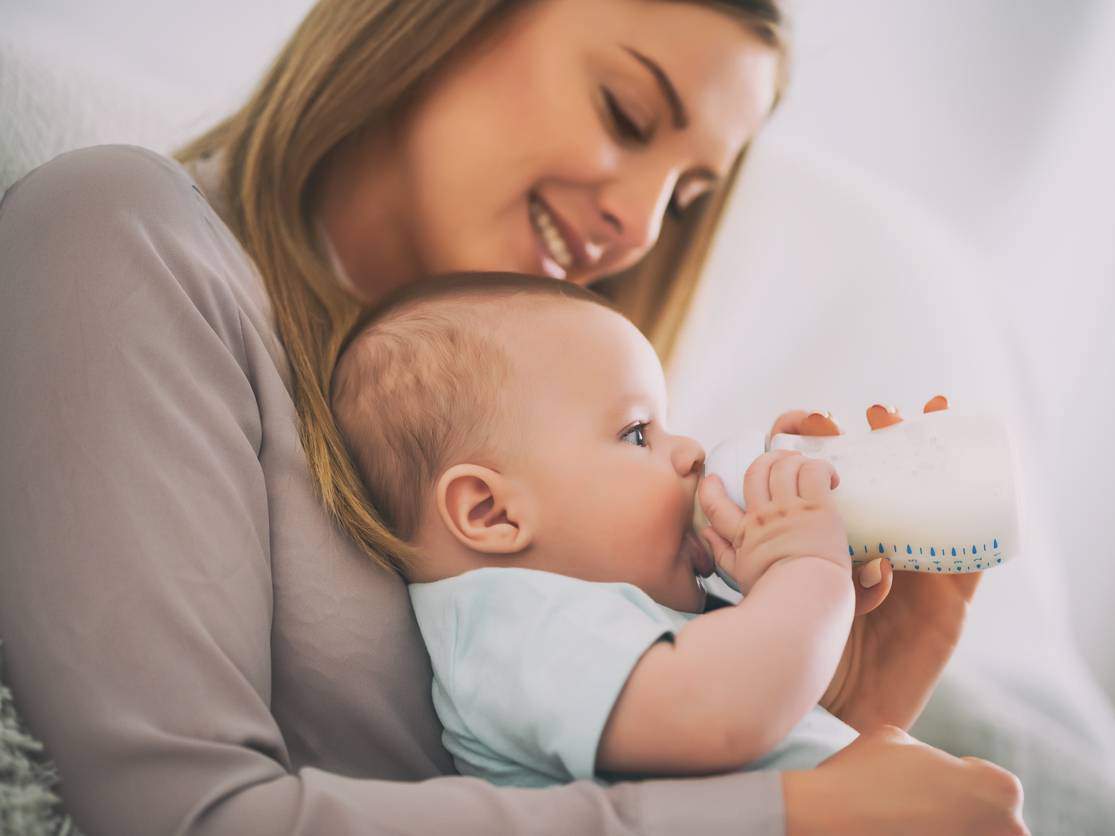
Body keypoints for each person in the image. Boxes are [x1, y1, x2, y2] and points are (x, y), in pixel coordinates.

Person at [0, 0, 1028, 833]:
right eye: (626, 112)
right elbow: (192, 815)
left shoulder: (549, 432)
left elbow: (619, 752)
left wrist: (849, 697)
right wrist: (783, 810)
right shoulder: (122, 241)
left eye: (686, 196)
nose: (638, 225)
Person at [330, 271, 887, 786]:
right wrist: (810, 574)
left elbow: (764, 695)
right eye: (638, 434)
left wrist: (777, 556)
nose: (691, 451)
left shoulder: (592, 606)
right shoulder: (508, 626)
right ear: (491, 514)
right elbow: (719, 716)